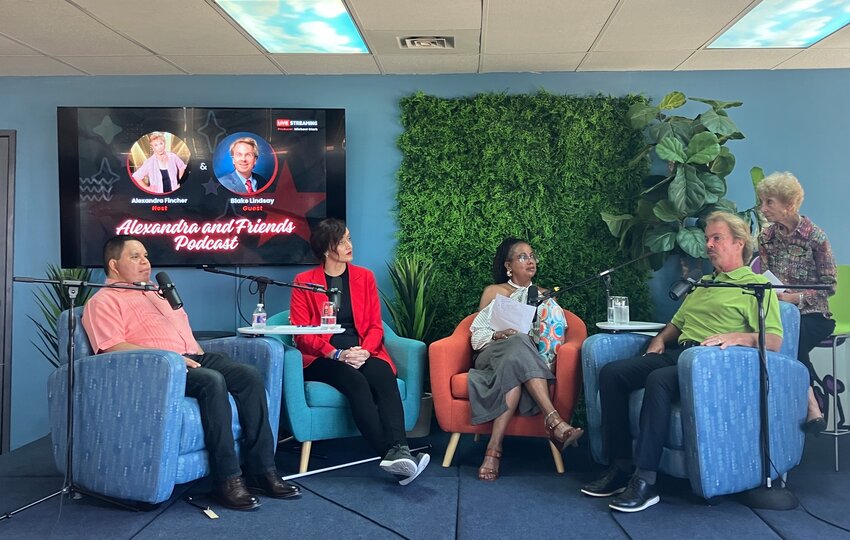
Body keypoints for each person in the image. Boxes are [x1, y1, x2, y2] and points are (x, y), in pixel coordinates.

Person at [581, 212, 783, 513]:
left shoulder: (755, 287)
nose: (709, 245)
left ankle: (646, 480)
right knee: (612, 373)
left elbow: (775, 341)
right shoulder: (703, 283)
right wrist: (660, 340)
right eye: (707, 239)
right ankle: (621, 466)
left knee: (658, 380)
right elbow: (676, 323)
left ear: (739, 243)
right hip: (679, 354)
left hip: (710, 364)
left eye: (717, 238)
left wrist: (738, 336)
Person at [81, 235, 300, 511]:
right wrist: (171, 359)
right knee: (212, 381)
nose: (145, 262)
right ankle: (228, 480)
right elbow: (111, 347)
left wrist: (191, 353)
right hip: (158, 370)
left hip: (193, 356)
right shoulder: (103, 301)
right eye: (135, 256)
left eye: (146, 255)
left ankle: (262, 470)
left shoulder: (157, 292)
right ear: (113, 264)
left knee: (249, 376)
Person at [289, 218, 430, 485]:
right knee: (355, 382)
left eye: (349, 239)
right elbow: (302, 333)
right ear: (326, 249)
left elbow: (376, 326)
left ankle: (400, 450)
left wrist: (364, 351)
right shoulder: (304, 281)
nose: (349, 246)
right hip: (323, 356)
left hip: (362, 350)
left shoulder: (364, 277)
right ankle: (388, 455)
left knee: (383, 375)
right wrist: (336, 354)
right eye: (342, 242)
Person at [468, 237, 583, 481]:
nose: (530, 261)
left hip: (523, 360)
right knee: (518, 342)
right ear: (508, 265)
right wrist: (498, 334)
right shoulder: (495, 292)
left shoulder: (544, 296)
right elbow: (476, 335)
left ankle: (493, 450)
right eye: (522, 256)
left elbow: (553, 334)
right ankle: (554, 421)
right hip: (492, 352)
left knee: (518, 354)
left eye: (532, 256)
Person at [757, 171, 837, 434]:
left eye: (769, 202)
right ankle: (811, 398)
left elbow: (829, 285)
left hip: (814, 315)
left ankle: (811, 402)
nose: (763, 208)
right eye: (762, 201)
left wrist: (796, 298)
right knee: (776, 337)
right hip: (779, 312)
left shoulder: (816, 237)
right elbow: (767, 278)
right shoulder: (766, 238)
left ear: (789, 204)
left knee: (788, 342)